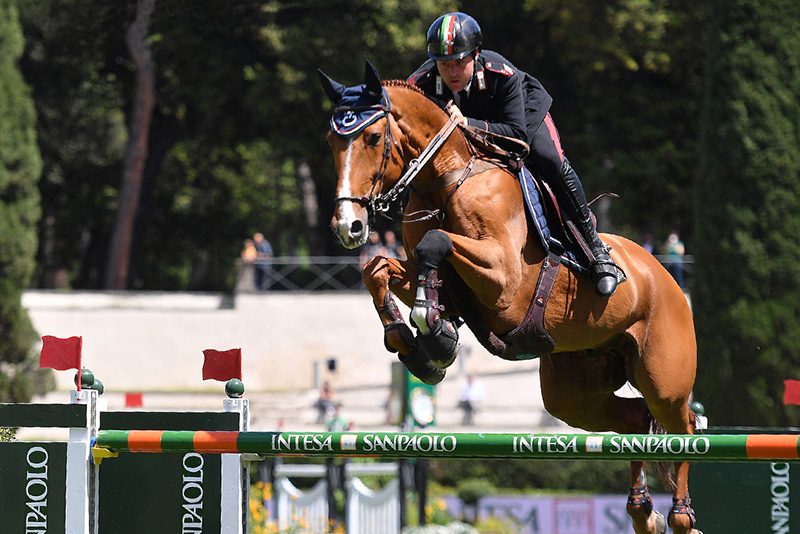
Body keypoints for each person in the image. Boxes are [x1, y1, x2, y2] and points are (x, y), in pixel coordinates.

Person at [408, 12, 617, 297]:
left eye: (460, 62)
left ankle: (596, 250)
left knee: (549, 159)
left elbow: (517, 135)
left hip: (521, 119)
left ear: (476, 55)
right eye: (444, 65)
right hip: (470, 129)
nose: (452, 72)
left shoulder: (500, 74)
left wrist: (467, 122)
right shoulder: (420, 83)